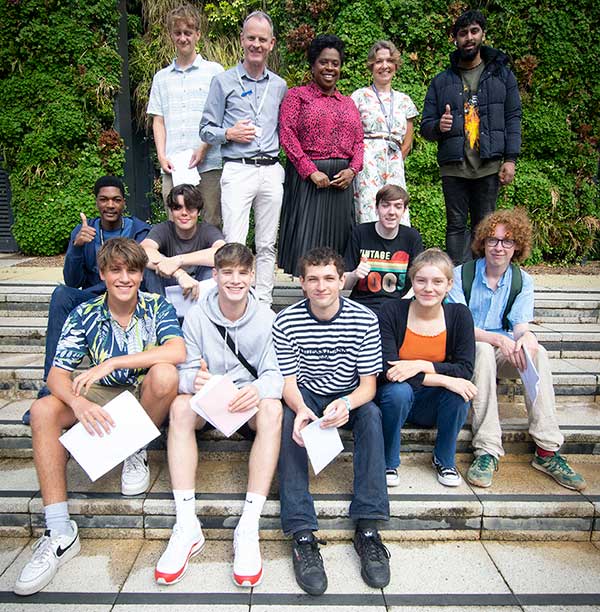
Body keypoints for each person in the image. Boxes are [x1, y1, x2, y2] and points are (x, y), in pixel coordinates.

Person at [14, 238, 185, 597]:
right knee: (44, 409)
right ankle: (59, 531)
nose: (125, 278)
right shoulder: (86, 312)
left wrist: (112, 361)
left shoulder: (157, 306)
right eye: (116, 270)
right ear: (104, 274)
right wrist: (77, 405)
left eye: (133, 270)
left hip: (142, 394)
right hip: (101, 393)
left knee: (166, 374)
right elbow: (57, 374)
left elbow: (176, 350)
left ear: (141, 274)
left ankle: (134, 448)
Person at [155, 243, 283, 587]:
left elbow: (276, 374)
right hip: (207, 399)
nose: (235, 280)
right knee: (180, 406)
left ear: (252, 276)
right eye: (227, 272)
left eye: (243, 273)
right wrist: (191, 380)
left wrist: (257, 389)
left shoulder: (268, 318)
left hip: (245, 402)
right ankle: (186, 525)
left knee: (272, 408)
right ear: (215, 275)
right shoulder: (197, 315)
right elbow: (183, 368)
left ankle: (248, 524)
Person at [273, 247, 390, 596]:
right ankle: (302, 533)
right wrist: (301, 408)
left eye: (328, 278)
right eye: (313, 279)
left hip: (347, 396)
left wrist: (346, 402)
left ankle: (368, 527)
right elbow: (287, 383)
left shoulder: (365, 319)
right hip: (306, 394)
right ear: (302, 283)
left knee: (371, 415)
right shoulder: (286, 321)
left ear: (342, 280)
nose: (321, 286)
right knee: (289, 416)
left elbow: (369, 386)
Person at [447, 209, 586, 491]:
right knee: (483, 350)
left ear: (517, 247)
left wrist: (527, 338)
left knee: (539, 353)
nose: (499, 247)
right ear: (482, 243)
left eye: (507, 242)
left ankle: (546, 449)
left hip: (503, 350)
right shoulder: (462, 275)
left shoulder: (522, 280)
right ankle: (487, 449)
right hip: (468, 350)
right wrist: (497, 340)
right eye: (493, 240)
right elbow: (459, 327)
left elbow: (520, 325)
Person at [23, 176, 150, 424]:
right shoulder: (85, 231)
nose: (110, 205)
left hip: (127, 295)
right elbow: (72, 281)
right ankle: (50, 391)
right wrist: (77, 246)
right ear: (96, 203)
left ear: (124, 202)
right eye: (104, 200)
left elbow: (143, 272)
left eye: (116, 200)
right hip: (94, 296)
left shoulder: (139, 230)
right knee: (61, 294)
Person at [200, 11, 287, 305]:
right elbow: (205, 129)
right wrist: (229, 133)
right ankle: (234, 299)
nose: (256, 44)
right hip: (238, 168)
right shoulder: (223, 81)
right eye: (251, 38)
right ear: (242, 40)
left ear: (271, 43)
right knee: (234, 240)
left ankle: (262, 302)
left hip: (271, 169)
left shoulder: (279, 85)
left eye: (262, 39)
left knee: (266, 243)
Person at [420, 10, 521, 264]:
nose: (468, 38)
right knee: (454, 226)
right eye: (463, 33)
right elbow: (425, 126)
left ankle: (480, 279)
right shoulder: (441, 81)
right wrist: (439, 127)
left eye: (474, 31)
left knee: (485, 227)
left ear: (482, 35)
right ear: (455, 39)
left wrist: (510, 159)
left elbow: (513, 117)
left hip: (488, 165)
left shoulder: (502, 76)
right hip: (454, 166)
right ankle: (456, 283)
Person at [377, 248, 476, 488]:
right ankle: (388, 461)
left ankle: (444, 460)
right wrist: (443, 378)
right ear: (412, 282)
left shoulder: (459, 315)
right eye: (421, 280)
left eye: (437, 281)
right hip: (394, 400)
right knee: (398, 391)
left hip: (431, 404)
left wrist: (419, 365)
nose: (428, 288)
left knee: (459, 393)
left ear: (449, 284)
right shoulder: (392, 311)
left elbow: (464, 369)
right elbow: (389, 369)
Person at [277, 35, 364, 277]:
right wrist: (309, 170)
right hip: (308, 179)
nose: (329, 68)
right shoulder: (297, 96)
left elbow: (359, 141)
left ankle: (333, 293)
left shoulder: (348, 103)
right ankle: (308, 292)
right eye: (323, 62)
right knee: (308, 239)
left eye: (335, 63)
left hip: (341, 182)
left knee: (338, 240)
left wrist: (352, 170)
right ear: (313, 65)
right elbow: (287, 134)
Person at [147, 4, 224, 224]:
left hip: (208, 162)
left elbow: (220, 117)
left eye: (188, 33)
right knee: (175, 223)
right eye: (178, 33)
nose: (183, 38)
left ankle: (210, 261)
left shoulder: (215, 72)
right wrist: (161, 156)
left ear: (198, 35)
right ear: (171, 35)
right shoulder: (161, 78)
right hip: (173, 165)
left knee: (212, 221)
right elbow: (158, 120)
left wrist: (203, 147)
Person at [351, 40, 418, 225]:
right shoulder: (359, 96)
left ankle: (397, 254)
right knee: (368, 210)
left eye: (389, 60)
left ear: (395, 65)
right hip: (367, 164)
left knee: (395, 209)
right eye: (379, 61)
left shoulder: (405, 100)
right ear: (372, 65)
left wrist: (395, 160)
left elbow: (407, 141)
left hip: (394, 164)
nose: (384, 66)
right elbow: (352, 135)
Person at [344, 184, 423, 315]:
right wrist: (355, 274)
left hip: (398, 309)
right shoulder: (360, 233)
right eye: (385, 205)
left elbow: (420, 278)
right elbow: (344, 283)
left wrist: (405, 302)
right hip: (362, 308)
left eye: (398, 206)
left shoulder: (411, 237)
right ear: (376, 208)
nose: (391, 212)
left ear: (404, 211)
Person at [141, 183, 225, 300]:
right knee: (149, 267)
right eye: (178, 208)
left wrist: (178, 260)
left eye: (190, 207)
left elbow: (223, 253)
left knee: (214, 269)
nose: (184, 213)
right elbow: (142, 251)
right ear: (171, 211)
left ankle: (205, 312)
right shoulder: (164, 229)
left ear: (198, 211)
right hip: (168, 288)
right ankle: (162, 311)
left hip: (200, 292)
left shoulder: (207, 230)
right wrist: (179, 274)